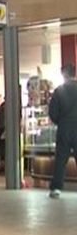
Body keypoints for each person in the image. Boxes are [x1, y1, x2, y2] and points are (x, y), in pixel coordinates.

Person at [48, 64, 77, 199]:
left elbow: (52, 113)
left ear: (63, 74)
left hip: (64, 128)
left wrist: (60, 121)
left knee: (61, 159)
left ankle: (56, 188)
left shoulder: (59, 90)